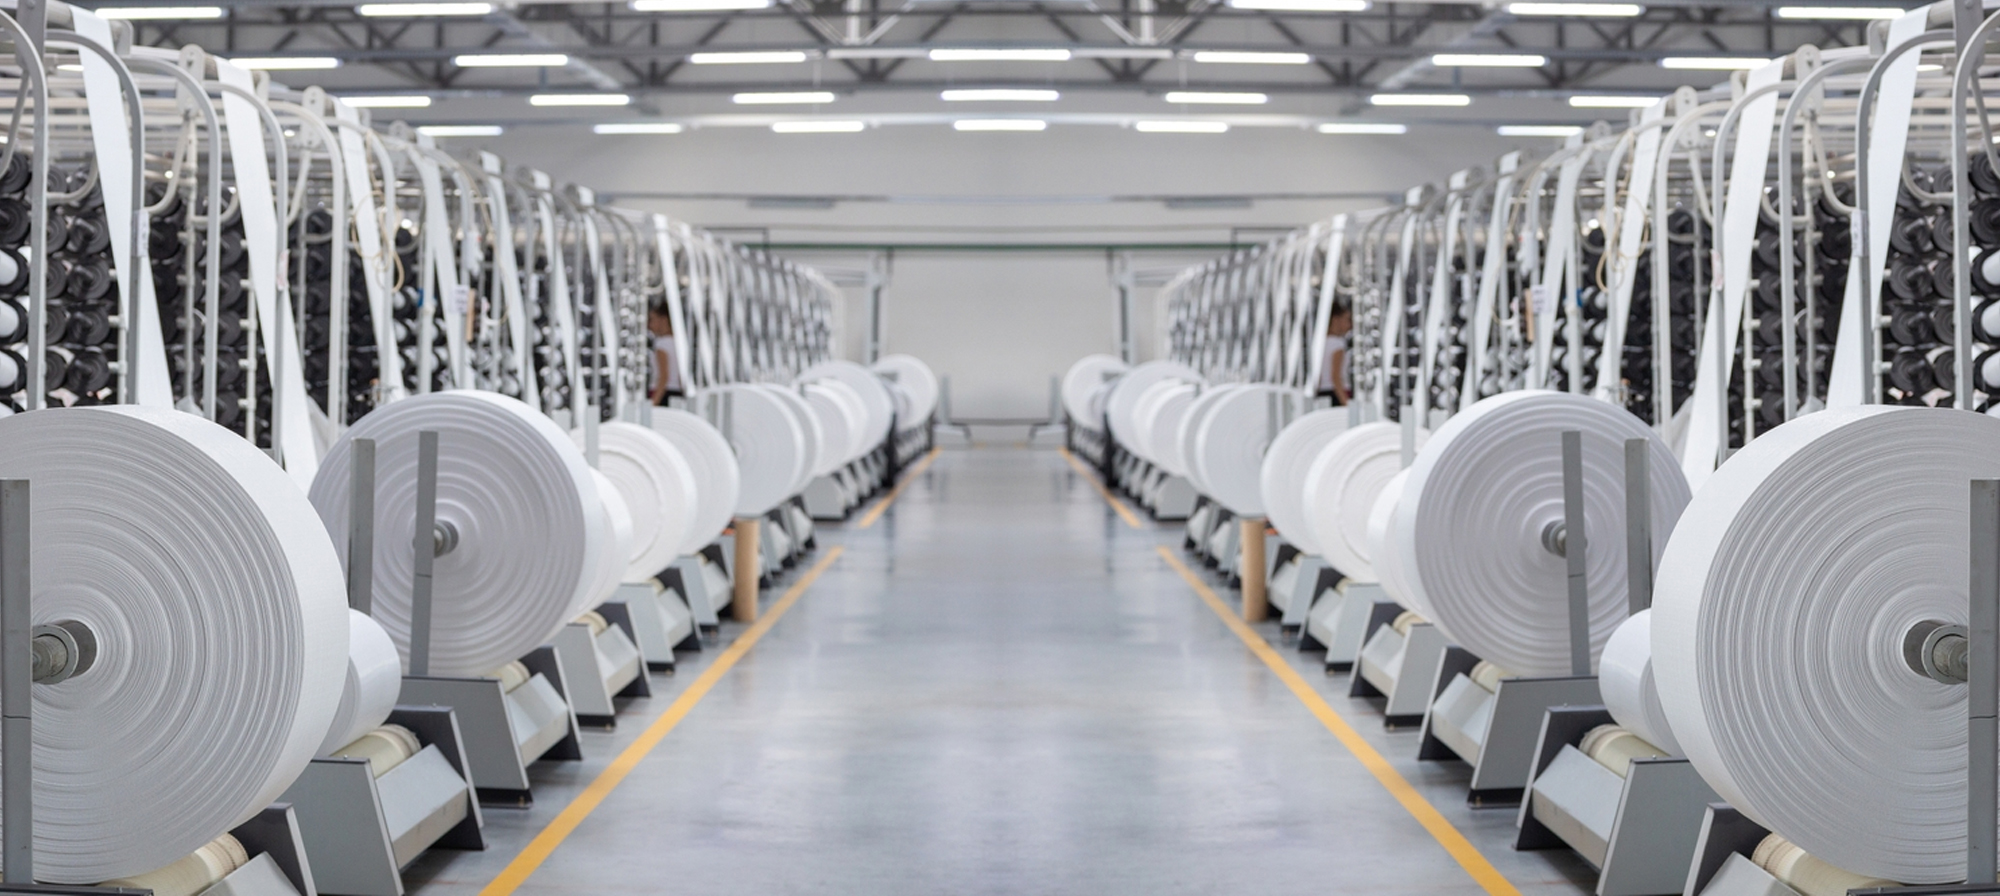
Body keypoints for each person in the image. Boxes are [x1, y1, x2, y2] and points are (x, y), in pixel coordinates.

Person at [1318, 307, 1352, 403]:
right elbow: (1335, 376)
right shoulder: (1337, 344)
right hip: (1337, 393)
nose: (1350, 325)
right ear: (1335, 319)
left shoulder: (1320, 343)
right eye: (1347, 320)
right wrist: (1345, 402)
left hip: (1323, 392)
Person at [648, 305, 681, 405]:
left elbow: (664, 376)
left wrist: (654, 402)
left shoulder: (662, 344)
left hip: (663, 393)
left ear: (664, 320)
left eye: (652, 319)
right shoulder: (678, 343)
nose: (649, 325)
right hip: (677, 392)